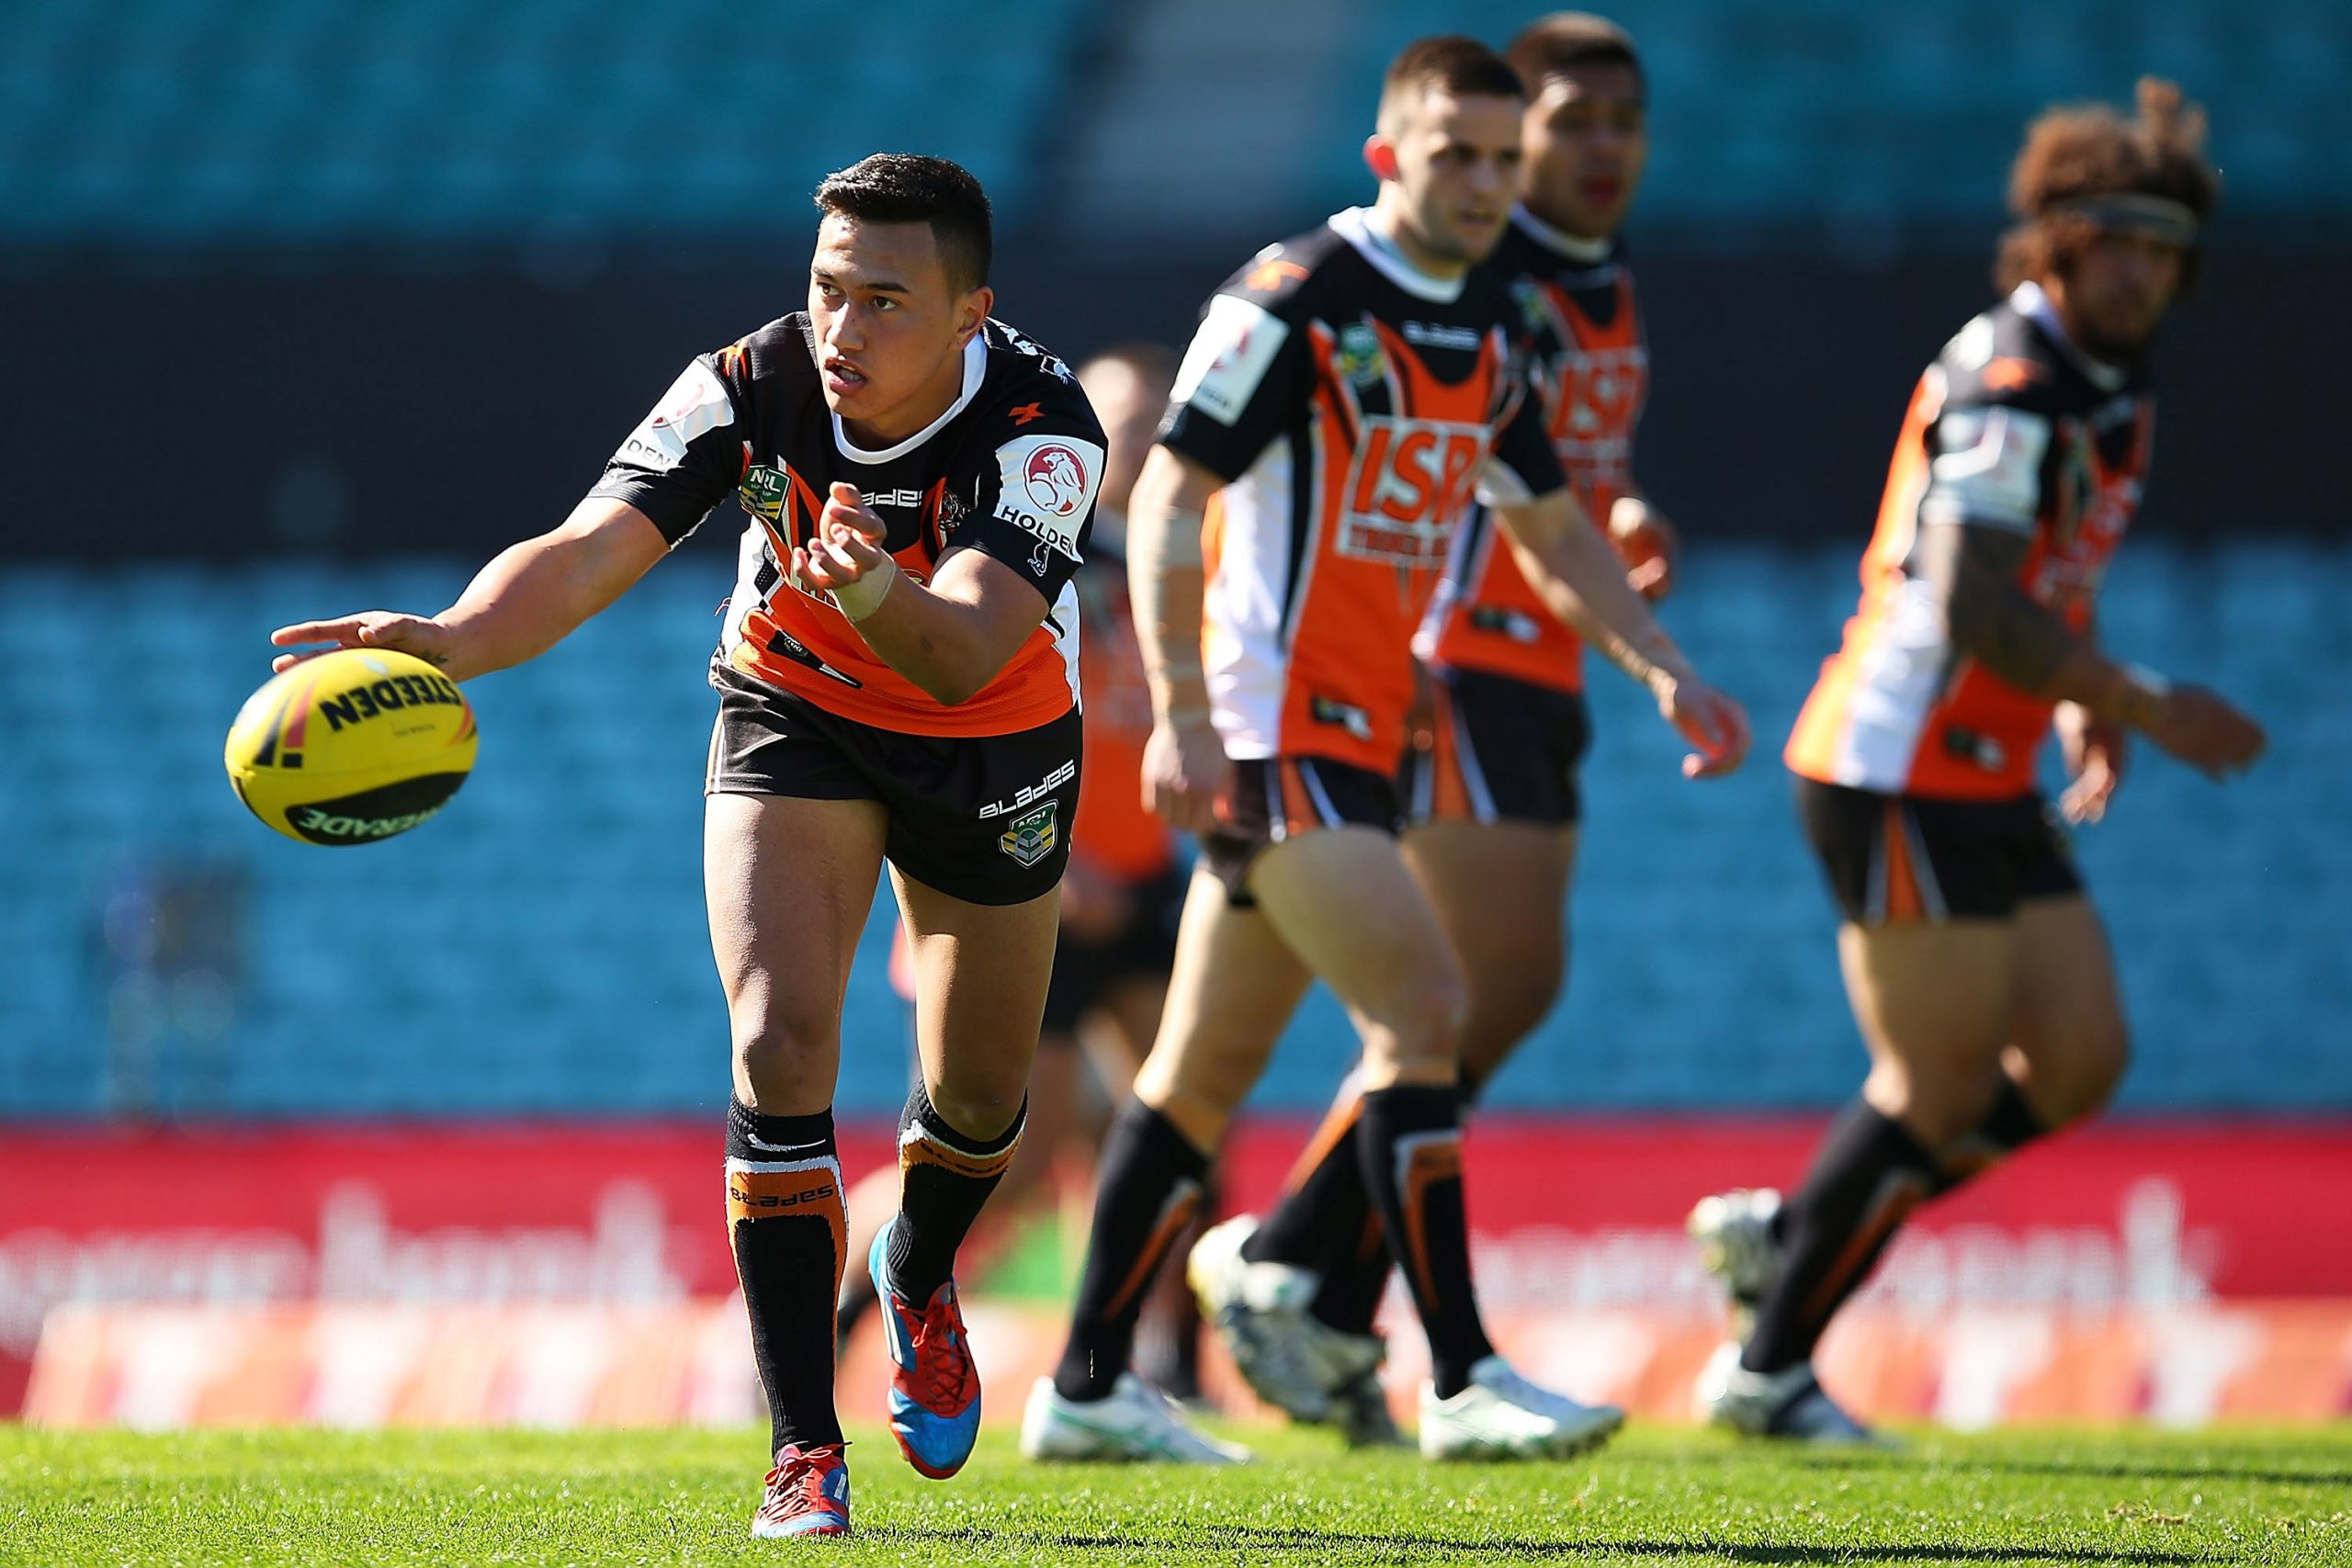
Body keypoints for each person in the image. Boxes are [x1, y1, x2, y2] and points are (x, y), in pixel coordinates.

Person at [267, 154, 1107, 1536]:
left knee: (975, 1101)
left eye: (887, 301)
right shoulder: (746, 383)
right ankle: (802, 1449)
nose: (843, 331)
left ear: (972, 314)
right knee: (779, 1044)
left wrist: (877, 587)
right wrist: (460, 638)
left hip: (989, 746)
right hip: (797, 710)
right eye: (829, 289)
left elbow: (961, 654)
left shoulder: (1045, 423)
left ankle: (919, 1264)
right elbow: (598, 542)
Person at [1018, 35, 1748, 1467]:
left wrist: (1665, 667)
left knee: (1193, 1076)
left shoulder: (1490, 325)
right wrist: (1184, 708)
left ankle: (1088, 1382)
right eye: (1455, 154)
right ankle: (1463, 1370)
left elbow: (1547, 528)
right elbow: (1170, 498)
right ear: (1387, 155)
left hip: (1366, 732)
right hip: (1271, 722)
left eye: (1497, 158)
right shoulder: (1298, 296)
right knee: (1425, 1004)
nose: (1482, 182)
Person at [1686, 80, 2265, 1442]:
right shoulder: (2013, 380)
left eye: (2163, 248)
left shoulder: (2111, 383)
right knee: (1935, 1087)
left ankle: (1795, 1227)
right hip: (1894, 761)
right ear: (2056, 242)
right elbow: (1968, 600)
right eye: (2115, 240)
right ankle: (1767, 1369)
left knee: (2078, 1059)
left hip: (1986, 763)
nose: (2139, 269)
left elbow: (2045, 584)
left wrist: (2080, 699)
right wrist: (2141, 696)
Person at [1187, 13, 1696, 1447]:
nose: (1595, 149)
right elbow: (1415, 456)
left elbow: (1559, 470)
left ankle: (1311, 1271)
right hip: (1455, 652)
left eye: (1621, 123)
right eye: (1564, 123)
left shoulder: (1598, 283)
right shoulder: (1477, 275)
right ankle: (1317, 1276)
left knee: (1500, 993)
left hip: (1547, 657)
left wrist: (1626, 516)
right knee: (1457, 991)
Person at [831, 344, 1210, 1400]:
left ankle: (1155, 1371)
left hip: (1140, 884)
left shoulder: (1172, 557)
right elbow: (958, 692)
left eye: (1152, 419)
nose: (1133, 439)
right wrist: (1063, 850)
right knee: (1005, 1158)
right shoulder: (1024, 541)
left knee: (1183, 1112)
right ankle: (835, 1321)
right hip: (1025, 871)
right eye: (1116, 418)